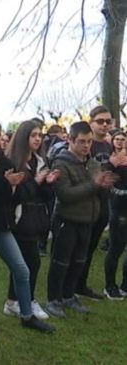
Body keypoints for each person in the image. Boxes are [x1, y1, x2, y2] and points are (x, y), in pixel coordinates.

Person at [0, 118, 55, 336]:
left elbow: (13, 197)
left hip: (3, 224)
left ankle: (27, 315)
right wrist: (8, 185)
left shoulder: (5, 161)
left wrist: (14, 187)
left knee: (22, 269)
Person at [45, 121, 116, 318]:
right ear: (71, 140)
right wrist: (94, 185)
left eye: (89, 142)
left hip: (87, 220)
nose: (86, 146)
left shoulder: (92, 162)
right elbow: (66, 194)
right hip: (67, 220)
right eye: (82, 142)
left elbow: (97, 190)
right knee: (60, 262)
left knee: (78, 260)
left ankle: (69, 295)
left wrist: (104, 187)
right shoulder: (61, 163)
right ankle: (53, 299)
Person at [5, 120, 59, 320]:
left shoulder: (40, 161)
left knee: (26, 263)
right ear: (23, 137)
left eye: (40, 135)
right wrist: (35, 182)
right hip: (20, 218)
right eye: (33, 135)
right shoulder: (14, 162)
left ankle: (15, 300)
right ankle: (23, 300)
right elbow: (15, 194)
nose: (38, 139)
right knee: (30, 263)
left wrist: (48, 184)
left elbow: (44, 196)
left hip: (38, 218)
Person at [75, 106, 113, 300]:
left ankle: (81, 284)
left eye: (108, 121)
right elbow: (90, 174)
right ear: (91, 122)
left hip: (104, 202)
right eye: (100, 121)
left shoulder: (109, 145)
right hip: (87, 203)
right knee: (80, 247)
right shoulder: (87, 146)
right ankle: (71, 286)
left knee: (90, 248)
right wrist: (112, 164)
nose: (105, 125)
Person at [103, 131, 127, 300]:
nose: (120, 142)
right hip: (118, 209)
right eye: (117, 139)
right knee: (115, 249)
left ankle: (125, 285)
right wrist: (112, 164)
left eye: (122, 139)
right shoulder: (111, 159)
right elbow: (106, 181)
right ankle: (110, 286)